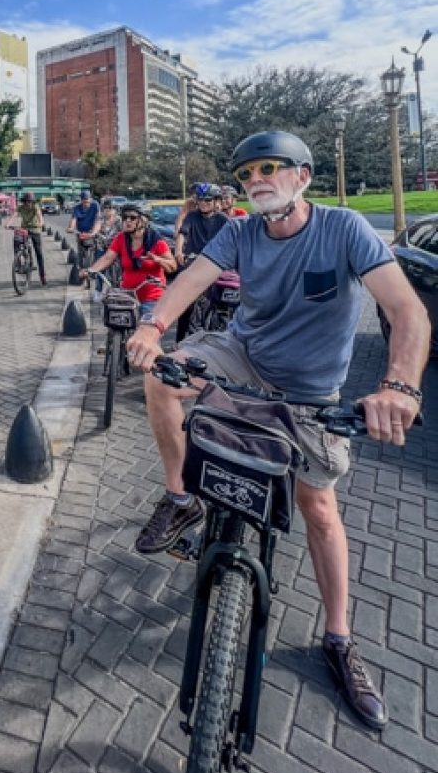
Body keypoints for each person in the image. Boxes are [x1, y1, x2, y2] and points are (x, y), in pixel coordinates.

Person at [125, 130, 430, 732]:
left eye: (270, 167)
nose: (257, 179)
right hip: (244, 361)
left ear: (302, 176)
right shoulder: (240, 231)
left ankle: (340, 640)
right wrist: (153, 325)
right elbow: (194, 279)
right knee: (162, 380)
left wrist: (398, 384)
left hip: (312, 393)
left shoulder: (344, 229)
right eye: (246, 174)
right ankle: (180, 497)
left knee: (318, 508)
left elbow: (406, 310)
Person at [81, 202, 176, 319]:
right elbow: (107, 257)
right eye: (125, 218)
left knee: (146, 331)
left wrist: (158, 259)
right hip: (127, 294)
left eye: (133, 218)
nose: (128, 221)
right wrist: (90, 270)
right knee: (114, 324)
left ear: (143, 220)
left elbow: (172, 266)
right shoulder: (121, 238)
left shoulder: (156, 241)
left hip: (152, 297)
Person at [173, 183, 229, 342]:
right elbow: (183, 233)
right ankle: (179, 341)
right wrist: (178, 251)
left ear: (216, 201)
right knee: (186, 305)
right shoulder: (192, 216)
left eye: (208, 200)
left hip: (216, 265)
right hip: (194, 263)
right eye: (201, 200)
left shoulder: (222, 219)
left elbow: (232, 240)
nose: (204, 203)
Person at [9, 192, 46, 285]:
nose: (28, 203)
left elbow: (39, 216)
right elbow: (14, 215)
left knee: (39, 253)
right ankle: (18, 264)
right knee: (16, 241)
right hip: (24, 229)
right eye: (26, 201)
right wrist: (8, 224)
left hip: (35, 229)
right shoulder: (21, 207)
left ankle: (42, 276)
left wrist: (41, 223)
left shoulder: (35, 207)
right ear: (24, 201)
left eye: (30, 201)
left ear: (33, 202)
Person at [93, 199, 123, 298]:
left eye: (111, 208)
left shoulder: (118, 220)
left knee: (120, 268)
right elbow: (96, 227)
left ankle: (118, 288)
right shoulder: (100, 218)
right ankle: (98, 290)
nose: (109, 210)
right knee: (100, 268)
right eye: (106, 208)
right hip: (102, 246)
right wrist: (93, 233)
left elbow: (123, 231)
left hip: (115, 247)